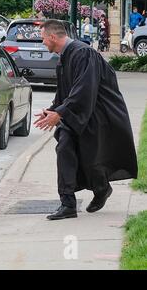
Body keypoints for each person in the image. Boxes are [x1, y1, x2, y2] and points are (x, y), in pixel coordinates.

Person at [34, 19, 137, 221]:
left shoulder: (83, 53)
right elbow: (66, 92)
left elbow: (84, 89)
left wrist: (61, 112)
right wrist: (53, 110)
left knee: (92, 157)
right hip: (77, 112)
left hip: (99, 114)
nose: (43, 43)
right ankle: (68, 204)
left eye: (43, 38)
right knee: (64, 147)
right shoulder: (64, 57)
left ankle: (102, 189)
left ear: (53, 37)